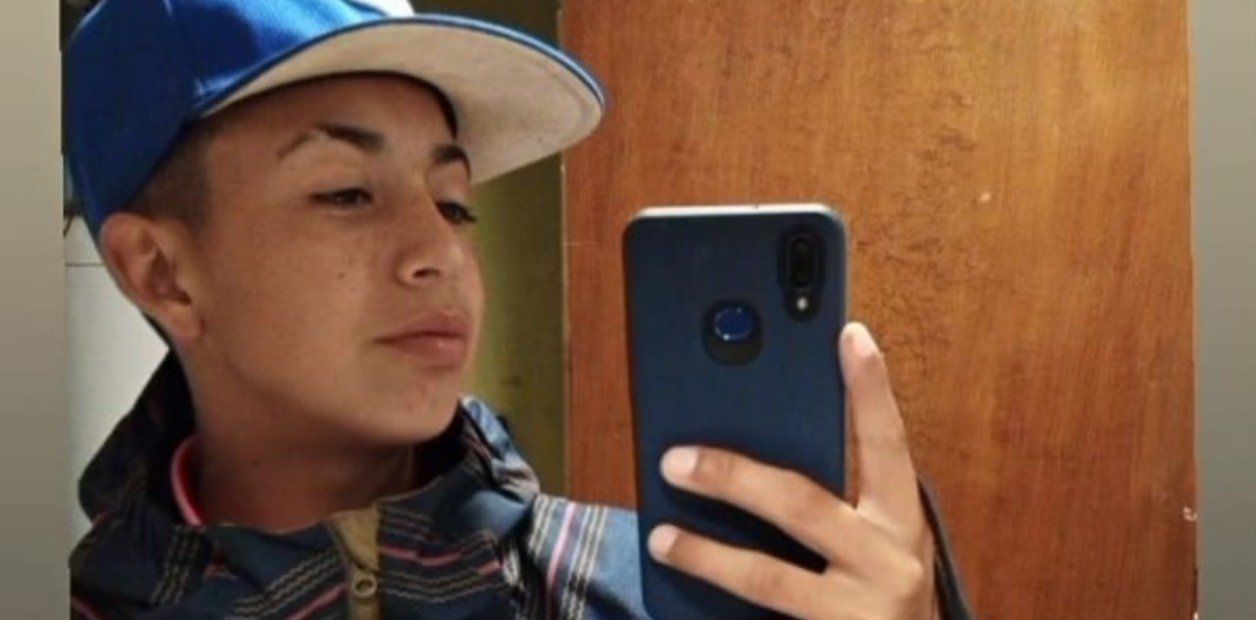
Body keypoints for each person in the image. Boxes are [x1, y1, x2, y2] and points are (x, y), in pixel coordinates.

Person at [65, 1, 972, 618]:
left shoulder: (663, 590)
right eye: (346, 191)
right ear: (162, 273)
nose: (441, 252)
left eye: (454, 202)